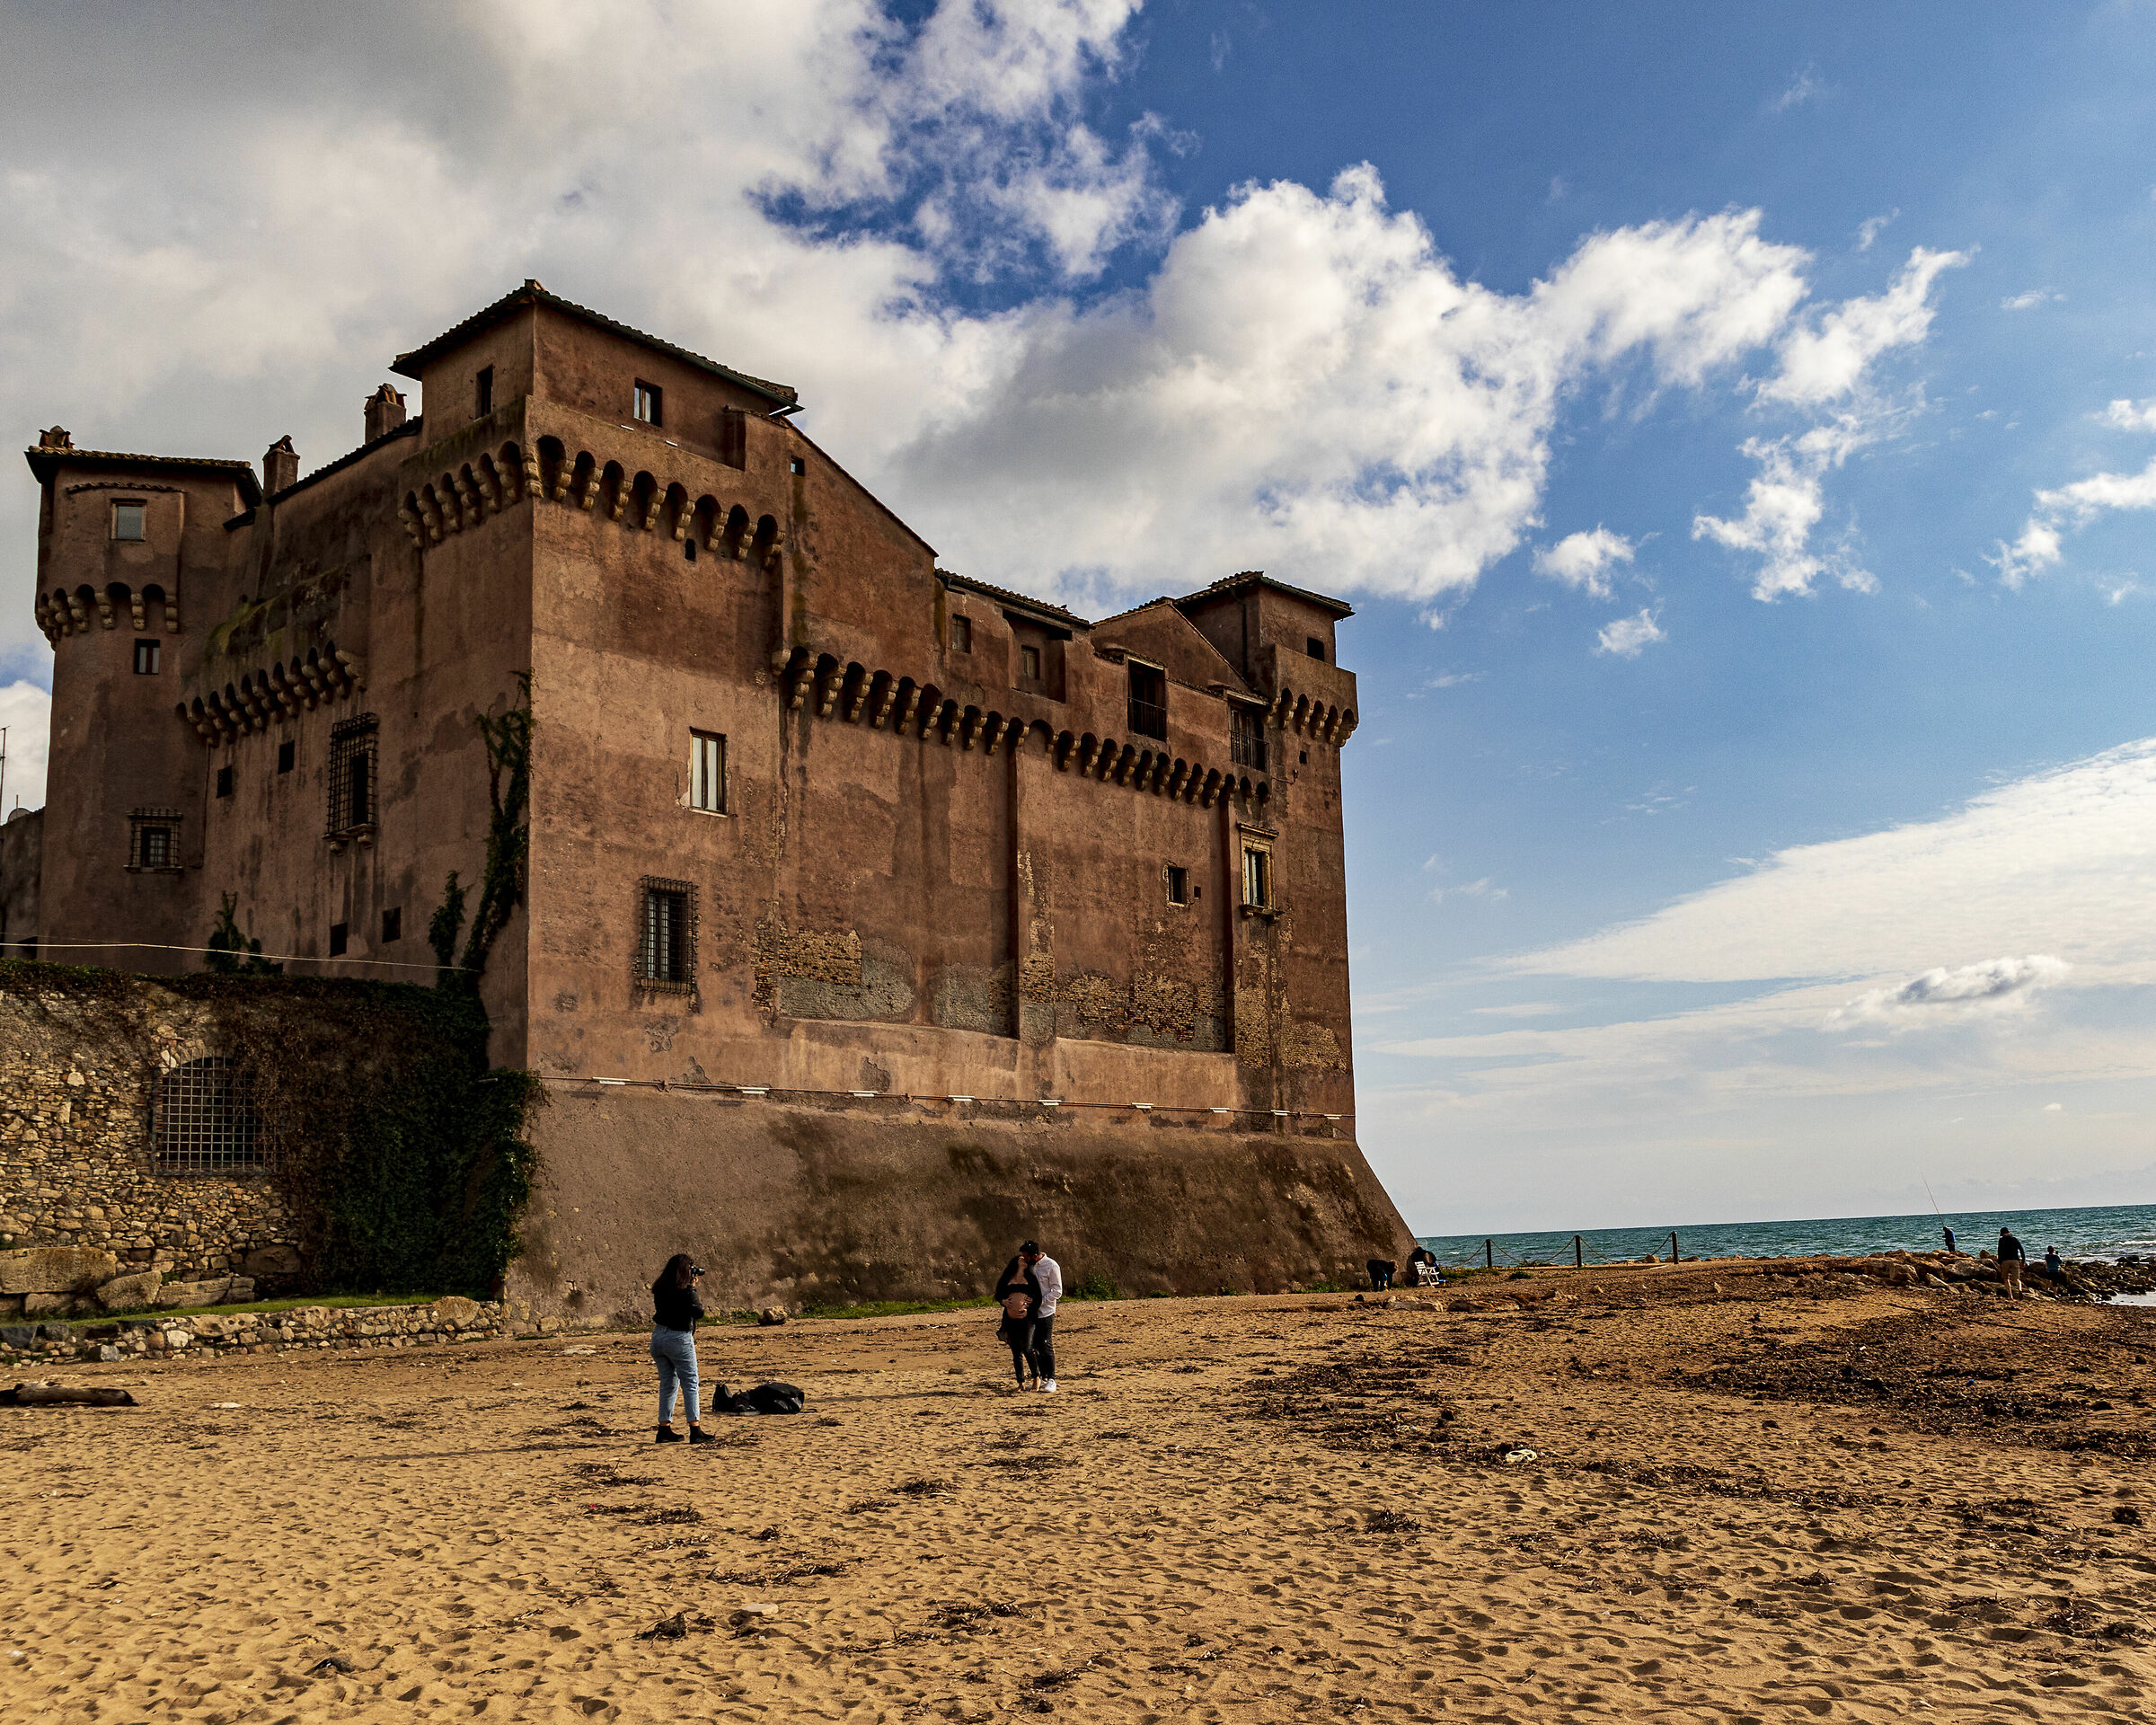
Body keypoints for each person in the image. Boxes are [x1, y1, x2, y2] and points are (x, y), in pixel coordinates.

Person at [649, 1253, 715, 1444]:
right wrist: (692, 1288)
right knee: (690, 1382)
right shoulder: (685, 1291)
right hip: (679, 1338)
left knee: (668, 1383)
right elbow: (698, 1312)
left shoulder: (660, 1289)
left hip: (658, 1337)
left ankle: (664, 1429)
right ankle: (695, 1430)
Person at [1021, 1239, 1063, 1393]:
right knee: (1032, 1346)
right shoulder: (1028, 1267)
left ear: (1035, 1255)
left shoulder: (1051, 1266)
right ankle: (1041, 1378)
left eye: (1026, 1256)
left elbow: (1057, 1291)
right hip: (1030, 1312)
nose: (1024, 1258)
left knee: (1045, 1344)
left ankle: (1051, 1379)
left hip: (1046, 1311)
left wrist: (1040, 1302)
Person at [994, 1251, 1038, 1391]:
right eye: (1021, 1259)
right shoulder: (1007, 1278)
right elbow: (998, 1295)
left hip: (1028, 1319)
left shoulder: (1031, 1278)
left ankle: (1036, 1378)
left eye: (1025, 1259)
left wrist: (1029, 1307)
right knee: (1016, 1352)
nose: (1023, 1260)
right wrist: (1004, 1301)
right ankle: (1021, 1382)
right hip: (1010, 1320)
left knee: (1027, 1348)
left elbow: (1038, 1297)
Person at [1996, 1226, 2027, 1295]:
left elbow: (1999, 1252)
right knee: (2016, 1279)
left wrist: (1999, 1263)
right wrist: (2023, 1261)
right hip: (2015, 1261)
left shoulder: (2001, 1240)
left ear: (2002, 1234)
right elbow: (2022, 1250)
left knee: (2006, 1279)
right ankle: (2020, 1290)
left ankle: (2010, 1296)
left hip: (2005, 1261)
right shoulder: (2014, 1239)